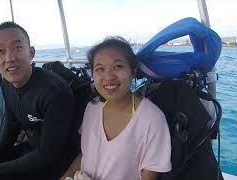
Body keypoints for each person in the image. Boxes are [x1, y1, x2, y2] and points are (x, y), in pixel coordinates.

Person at [0, 21, 78, 180]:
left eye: (17, 48)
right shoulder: (7, 82)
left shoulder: (54, 92)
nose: (10, 58)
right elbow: (11, 125)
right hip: (31, 151)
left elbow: (49, 154)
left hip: (56, 161)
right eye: (1, 51)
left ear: (31, 52)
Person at [61, 37, 172, 180]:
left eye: (118, 66)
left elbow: (150, 174)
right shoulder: (92, 108)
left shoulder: (152, 119)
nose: (108, 76)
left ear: (133, 71)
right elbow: (85, 155)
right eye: (100, 69)